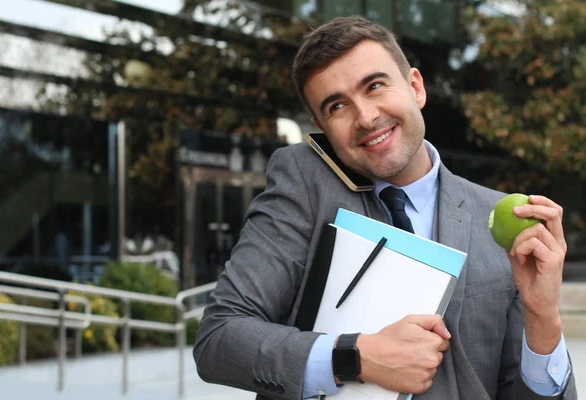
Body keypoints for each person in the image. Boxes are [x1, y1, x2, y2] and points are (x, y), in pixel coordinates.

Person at [193, 16, 577, 400]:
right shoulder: (304, 183)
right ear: (321, 126)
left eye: (374, 86)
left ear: (415, 87)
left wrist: (542, 315)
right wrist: (352, 357)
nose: (365, 117)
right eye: (337, 106)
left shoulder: (496, 216)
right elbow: (219, 338)